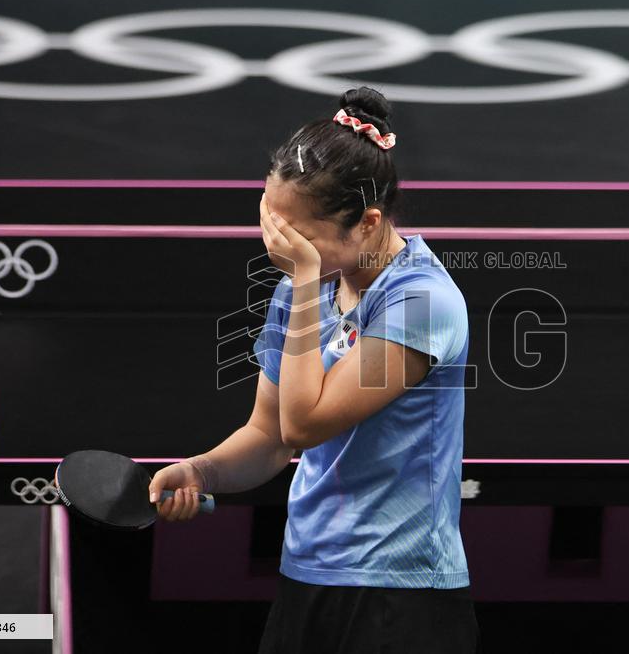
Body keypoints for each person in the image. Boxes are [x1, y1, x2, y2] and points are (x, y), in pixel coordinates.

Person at [148, 86, 480, 654]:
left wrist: (302, 280)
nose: (279, 250)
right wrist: (201, 472)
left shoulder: (421, 303)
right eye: (273, 228)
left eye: (296, 238)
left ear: (368, 222)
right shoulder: (301, 290)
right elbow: (270, 434)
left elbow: (305, 425)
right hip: (308, 573)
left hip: (398, 598)